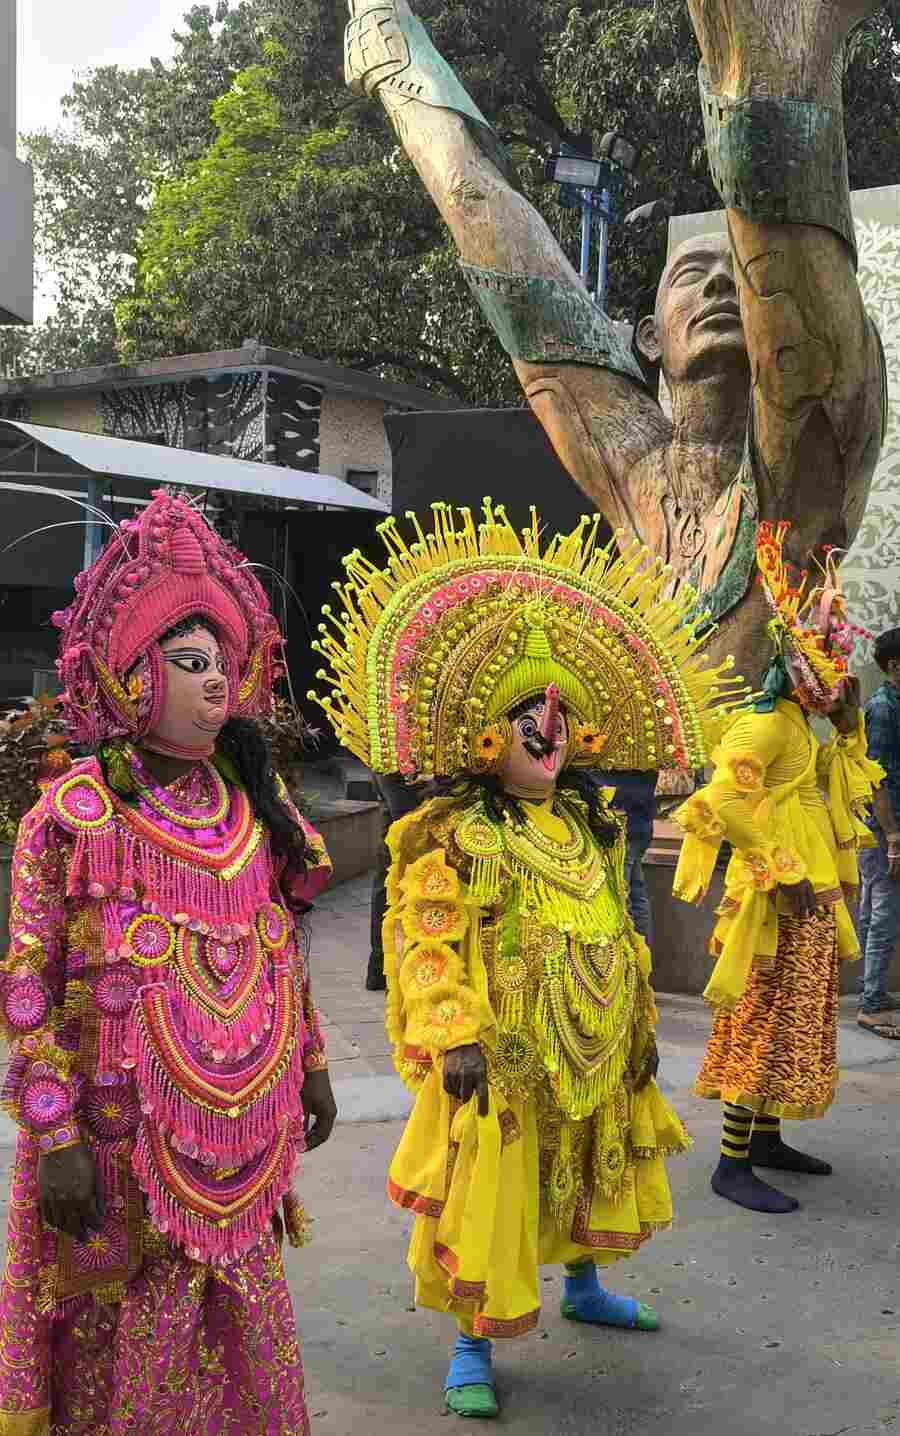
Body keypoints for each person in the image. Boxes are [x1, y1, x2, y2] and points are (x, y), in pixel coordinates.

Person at [310, 500, 746, 1418]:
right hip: (502, 1056)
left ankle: (584, 1287)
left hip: (590, 1040)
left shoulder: (588, 823)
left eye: (561, 719)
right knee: (492, 1189)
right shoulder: (455, 833)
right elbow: (426, 943)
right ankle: (473, 1343)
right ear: (484, 734)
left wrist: (635, 1023)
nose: (548, 732)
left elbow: (616, 925)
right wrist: (455, 1032)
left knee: (586, 1160)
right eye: (527, 718)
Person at [342, 0, 885, 690]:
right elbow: (489, 225)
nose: (721, 290)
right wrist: (397, 62)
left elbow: (799, 298)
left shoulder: (790, 466)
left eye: (735, 283)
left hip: (774, 795)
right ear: (650, 338)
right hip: (644, 793)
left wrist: (765, 65)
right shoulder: (636, 470)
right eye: (694, 275)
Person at [0, 491, 336, 1435]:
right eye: (189, 663)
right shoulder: (70, 821)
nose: (215, 683)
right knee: (122, 1339)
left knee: (235, 1330)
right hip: (115, 1145)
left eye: (223, 663)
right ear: (128, 675)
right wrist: (57, 1136)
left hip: (243, 1134)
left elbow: (282, 952)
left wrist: (309, 1064)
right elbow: (27, 988)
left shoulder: (255, 811)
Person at [674, 522, 882, 1216]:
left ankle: (766, 1139)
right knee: (761, 1022)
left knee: (794, 1019)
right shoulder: (764, 724)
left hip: (810, 891)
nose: (837, 671)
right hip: (777, 900)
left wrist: (849, 725)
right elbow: (721, 798)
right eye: (827, 659)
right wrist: (774, 866)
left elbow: (843, 779)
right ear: (797, 666)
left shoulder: (804, 726)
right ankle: (731, 1163)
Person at [857, 628, 900, 1036]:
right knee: (884, 913)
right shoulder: (884, 709)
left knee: (876, 910)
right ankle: (870, 1004)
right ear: (894, 665)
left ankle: (872, 992)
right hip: (887, 826)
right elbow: (877, 779)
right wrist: (892, 835)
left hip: (887, 826)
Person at [367, 772, 428, 990]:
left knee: (389, 868)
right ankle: (393, 965)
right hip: (399, 770)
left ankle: (381, 968)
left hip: (392, 769)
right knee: (403, 863)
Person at [592, 771, 657, 944]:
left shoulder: (619, 757)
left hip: (621, 825)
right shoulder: (645, 756)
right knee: (635, 892)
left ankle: (629, 957)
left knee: (620, 898)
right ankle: (641, 955)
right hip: (638, 824)